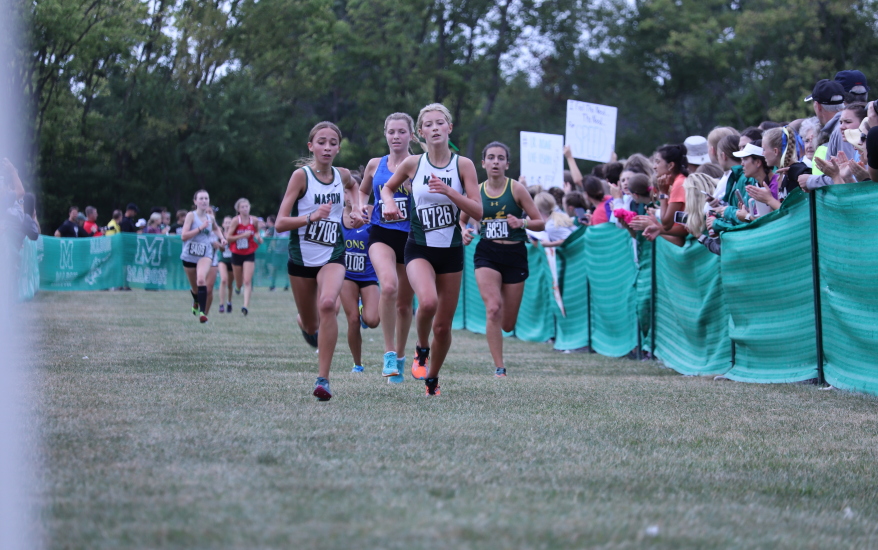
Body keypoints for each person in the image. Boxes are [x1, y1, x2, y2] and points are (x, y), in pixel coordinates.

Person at [379, 103, 482, 397]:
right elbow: (387, 188)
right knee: (426, 303)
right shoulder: (413, 164)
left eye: (440, 123)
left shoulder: (464, 165)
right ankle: (420, 349)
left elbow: (478, 209)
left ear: (449, 128)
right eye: (429, 124)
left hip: (450, 252)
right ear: (421, 132)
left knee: (443, 328)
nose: (435, 128)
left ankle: (432, 378)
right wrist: (388, 204)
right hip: (419, 247)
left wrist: (450, 191)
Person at [275, 121, 361, 401]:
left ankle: (323, 379)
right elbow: (280, 223)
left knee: (328, 304)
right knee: (312, 324)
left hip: (333, 255)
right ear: (311, 146)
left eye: (333, 143)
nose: (327, 147)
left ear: (338, 147)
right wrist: (312, 217)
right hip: (301, 260)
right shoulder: (301, 177)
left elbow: (353, 185)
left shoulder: (342, 174)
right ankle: (305, 323)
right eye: (321, 142)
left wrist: (355, 208)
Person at [460, 141, 544, 377]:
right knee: (493, 309)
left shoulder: (516, 189)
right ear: (483, 162)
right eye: (491, 157)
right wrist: (463, 231)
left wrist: (522, 223)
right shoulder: (476, 192)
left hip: (515, 254)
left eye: (500, 158)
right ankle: (500, 367)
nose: (495, 162)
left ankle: (502, 350)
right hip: (487, 253)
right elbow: (461, 218)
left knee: (508, 323)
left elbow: (540, 222)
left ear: (507, 163)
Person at [357, 113, 417, 384]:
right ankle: (389, 354)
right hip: (381, 234)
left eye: (401, 132)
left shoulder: (419, 165)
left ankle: (402, 357)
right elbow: (363, 191)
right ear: (385, 134)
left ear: (411, 135)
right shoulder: (375, 164)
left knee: (405, 305)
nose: (396, 136)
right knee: (389, 286)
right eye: (391, 131)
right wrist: (361, 206)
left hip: (411, 237)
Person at [340, 202, 380, 373]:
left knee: (373, 321)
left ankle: (364, 311)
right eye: (346, 192)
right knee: (353, 320)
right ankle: (357, 364)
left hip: (369, 274)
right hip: (346, 275)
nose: (349, 196)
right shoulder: (336, 215)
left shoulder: (371, 212)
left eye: (352, 191)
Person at [180, 190, 226, 323]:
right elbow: (184, 236)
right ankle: (195, 300)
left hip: (205, 254)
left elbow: (216, 228)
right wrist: (200, 228)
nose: (204, 201)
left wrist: (222, 238)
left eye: (206, 198)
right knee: (195, 288)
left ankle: (202, 313)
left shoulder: (210, 218)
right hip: (189, 255)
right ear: (195, 202)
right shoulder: (190, 216)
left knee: (201, 280)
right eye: (201, 198)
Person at [228, 198, 262, 316]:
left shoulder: (254, 220)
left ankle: (245, 306)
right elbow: (228, 238)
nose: (245, 209)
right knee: (238, 282)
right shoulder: (235, 221)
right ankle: (237, 287)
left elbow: (256, 231)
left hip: (249, 253)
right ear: (238, 209)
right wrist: (242, 235)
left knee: (247, 280)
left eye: (246, 206)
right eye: (242, 207)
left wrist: (258, 237)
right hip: (236, 253)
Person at [652, 144, 689, 238]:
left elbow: (666, 224)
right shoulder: (679, 181)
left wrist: (663, 194)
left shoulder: (679, 184)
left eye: (658, 162)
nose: (654, 167)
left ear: (671, 165)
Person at [218, 216, 234, 314]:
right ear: (223, 224)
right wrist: (220, 246)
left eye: (229, 223)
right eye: (226, 223)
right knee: (223, 280)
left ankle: (229, 302)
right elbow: (218, 246)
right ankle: (221, 304)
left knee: (229, 284)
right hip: (222, 260)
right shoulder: (220, 235)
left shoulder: (234, 235)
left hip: (232, 261)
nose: (228, 225)